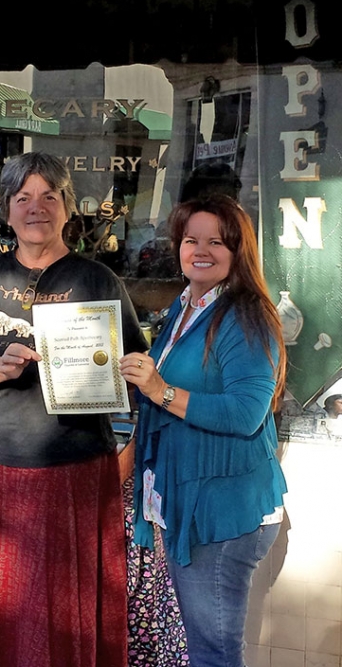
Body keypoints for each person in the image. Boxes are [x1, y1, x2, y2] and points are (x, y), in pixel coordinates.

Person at [0, 152, 147, 667]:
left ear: (67, 209)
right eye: (23, 198)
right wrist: (1, 369)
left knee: (63, 612)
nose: (36, 208)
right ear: (6, 210)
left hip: (75, 470)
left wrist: (128, 433)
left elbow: (140, 377)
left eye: (49, 196)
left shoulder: (98, 281)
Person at [120, 195, 287, 667]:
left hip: (222, 513)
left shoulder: (245, 315)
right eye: (191, 239)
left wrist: (160, 391)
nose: (201, 250)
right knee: (203, 646)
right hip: (189, 503)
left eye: (217, 241)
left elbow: (245, 413)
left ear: (238, 250)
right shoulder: (185, 307)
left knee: (213, 653)